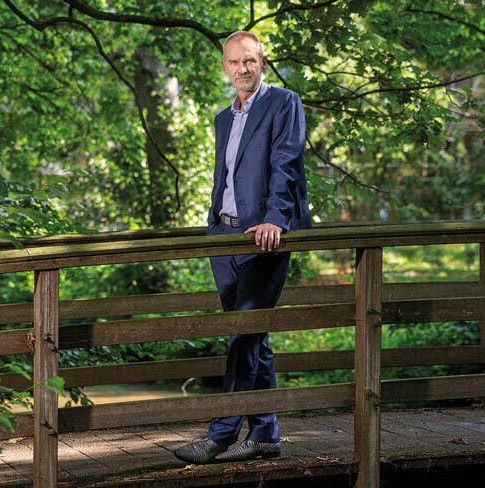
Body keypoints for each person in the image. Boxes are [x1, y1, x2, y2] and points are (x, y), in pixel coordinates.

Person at [174, 31, 311, 464]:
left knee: (243, 334)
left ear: (262, 63)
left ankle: (221, 432)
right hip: (225, 236)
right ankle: (266, 434)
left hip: (265, 235)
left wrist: (275, 217)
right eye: (234, 62)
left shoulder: (284, 103)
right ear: (224, 68)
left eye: (249, 61)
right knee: (253, 336)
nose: (242, 69)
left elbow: (286, 162)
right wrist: (213, 223)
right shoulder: (222, 118)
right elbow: (226, 177)